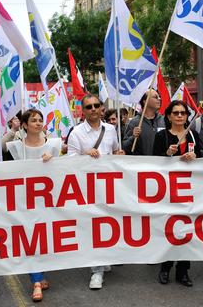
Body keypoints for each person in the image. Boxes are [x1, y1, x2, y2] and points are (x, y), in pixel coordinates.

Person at [67, 94, 124, 289]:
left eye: (96, 106)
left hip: (109, 185)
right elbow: (69, 161)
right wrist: (85, 154)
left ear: (101, 108)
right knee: (93, 227)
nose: (93, 109)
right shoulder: (75, 133)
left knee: (109, 223)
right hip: (87, 186)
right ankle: (96, 271)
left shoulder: (110, 129)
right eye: (88, 107)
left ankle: (104, 258)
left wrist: (120, 155)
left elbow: (115, 151)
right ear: (83, 111)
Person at [6, 109, 61, 301]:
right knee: (29, 238)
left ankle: (40, 272)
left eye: (40, 120)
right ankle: (36, 280)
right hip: (24, 203)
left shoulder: (54, 145)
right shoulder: (15, 148)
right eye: (33, 120)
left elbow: (64, 171)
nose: (38, 123)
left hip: (48, 201)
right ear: (24, 125)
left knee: (44, 238)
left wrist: (52, 162)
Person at [153, 100, 203, 287]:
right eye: (176, 113)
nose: (180, 116)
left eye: (183, 113)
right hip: (168, 190)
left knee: (187, 230)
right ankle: (165, 268)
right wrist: (167, 154)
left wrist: (196, 156)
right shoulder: (162, 136)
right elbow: (150, 163)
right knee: (169, 229)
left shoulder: (193, 134)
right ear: (168, 116)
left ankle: (183, 271)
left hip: (189, 189)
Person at [123, 90, 164, 155]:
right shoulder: (134, 122)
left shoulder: (164, 120)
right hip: (142, 163)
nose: (159, 99)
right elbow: (125, 147)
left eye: (159, 97)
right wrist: (133, 137)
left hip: (161, 163)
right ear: (145, 101)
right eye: (155, 97)